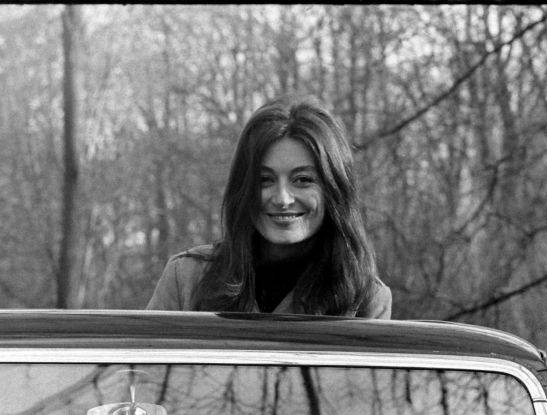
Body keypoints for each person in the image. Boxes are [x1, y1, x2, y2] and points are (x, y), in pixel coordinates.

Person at [147, 97, 391, 317]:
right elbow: (140, 366)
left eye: (303, 180)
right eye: (265, 180)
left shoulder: (366, 299)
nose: (283, 199)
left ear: (334, 190)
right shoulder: (185, 278)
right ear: (243, 189)